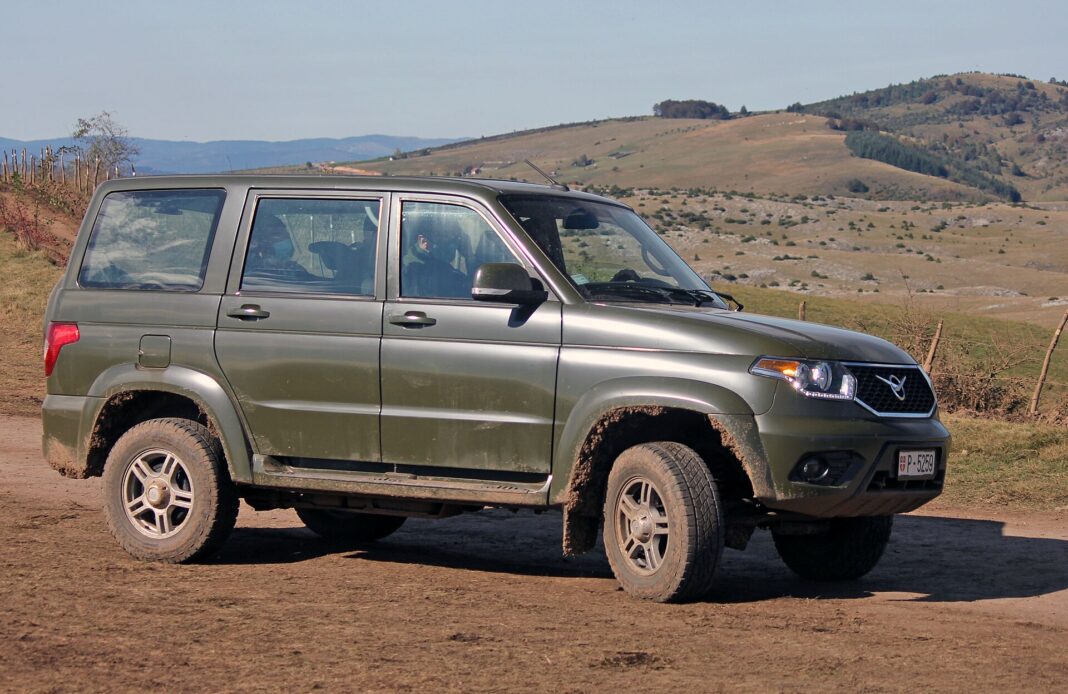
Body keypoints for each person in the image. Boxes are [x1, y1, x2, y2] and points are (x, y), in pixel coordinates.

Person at [402, 222, 469, 298]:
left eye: (454, 239)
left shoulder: (438, 265)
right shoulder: (413, 268)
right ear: (423, 240)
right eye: (444, 238)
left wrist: (469, 255)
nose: (453, 245)